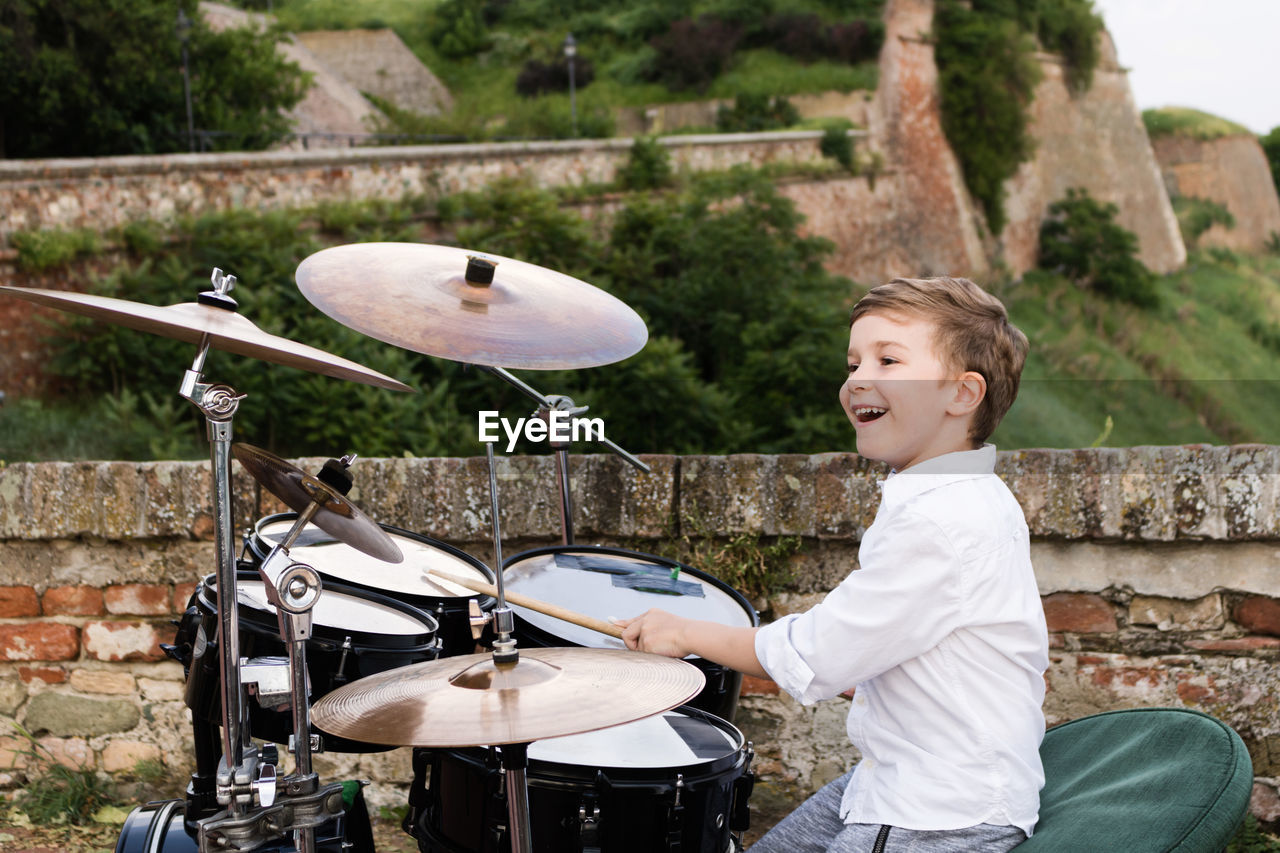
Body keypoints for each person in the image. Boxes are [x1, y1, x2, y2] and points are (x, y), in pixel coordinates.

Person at [617, 276, 1049, 852]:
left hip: (936, 812)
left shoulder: (939, 521)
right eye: (853, 362)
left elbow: (818, 653)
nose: (857, 379)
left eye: (888, 359)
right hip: (919, 781)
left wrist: (686, 632)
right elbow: (923, 642)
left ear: (963, 395)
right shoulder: (965, 495)